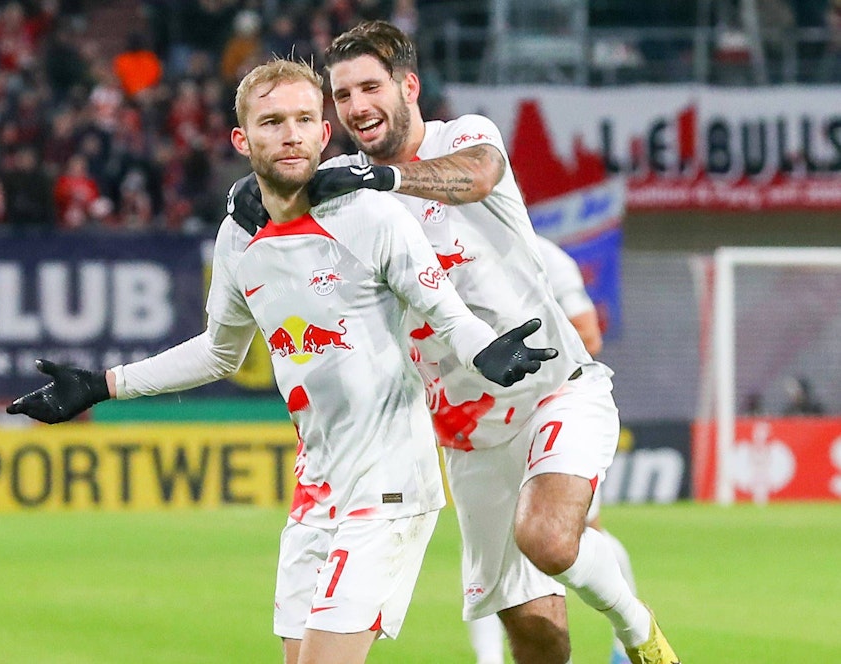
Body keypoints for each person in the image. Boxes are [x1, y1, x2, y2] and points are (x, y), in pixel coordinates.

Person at [6, 58, 557, 664]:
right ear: (242, 140)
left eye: (303, 120)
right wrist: (103, 384)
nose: (291, 134)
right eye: (272, 122)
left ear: (324, 133)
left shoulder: (371, 215)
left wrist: (486, 350)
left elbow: (446, 312)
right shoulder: (238, 237)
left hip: (389, 486)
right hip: (316, 489)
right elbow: (219, 350)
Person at [228, 20, 678, 664]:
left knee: (548, 539)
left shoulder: (462, 137)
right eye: (343, 94)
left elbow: (478, 175)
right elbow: (281, 191)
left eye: (371, 87)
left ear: (408, 87)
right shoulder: (345, 195)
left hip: (552, 391)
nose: (357, 105)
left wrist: (381, 179)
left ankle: (638, 631)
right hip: (470, 440)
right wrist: (250, 192)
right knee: (533, 629)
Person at [466, 235, 639, 664]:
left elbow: (589, 337)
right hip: (482, 424)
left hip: (551, 413)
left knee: (570, 538)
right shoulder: (435, 249)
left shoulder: (544, 255)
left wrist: (523, 351)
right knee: (492, 559)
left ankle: (627, 640)